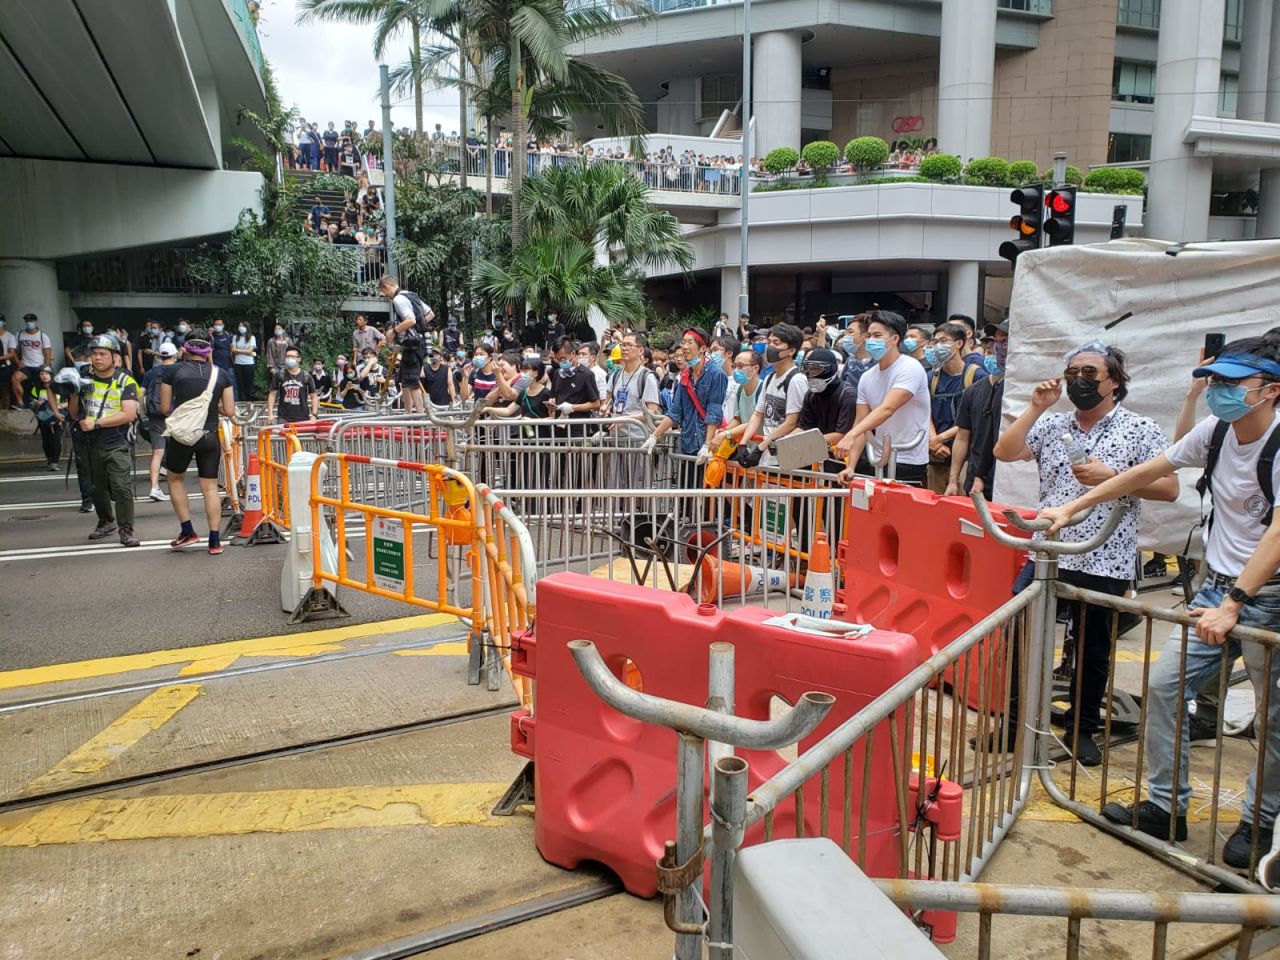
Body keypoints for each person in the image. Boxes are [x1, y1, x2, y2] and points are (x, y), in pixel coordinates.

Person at [1037, 336, 1280, 867]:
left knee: (1274, 718)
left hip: (1267, 596)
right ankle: (1165, 807)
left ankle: (1259, 825)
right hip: (1218, 585)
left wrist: (1236, 602)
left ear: (1270, 391)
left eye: (1232, 384)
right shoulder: (1215, 432)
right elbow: (1146, 473)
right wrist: (1072, 508)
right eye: (1214, 380)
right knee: (1164, 688)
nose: (1218, 391)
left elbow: (1279, 534)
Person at [992, 339, 1176, 766]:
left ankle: (1083, 728)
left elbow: (1168, 489)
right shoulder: (1053, 425)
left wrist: (1116, 477)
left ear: (1115, 382)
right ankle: (1015, 723)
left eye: (1090, 374)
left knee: (1092, 649)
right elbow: (1005, 451)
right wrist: (1037, 406)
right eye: (1073, 373)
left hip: (1104, 555)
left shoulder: (1140, 429)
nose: (1079, 381)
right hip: (1048, 552)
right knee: (1018, 637)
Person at [160, 329, 236, 555]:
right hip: (209, 436)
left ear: (185, 347)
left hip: (182, 436)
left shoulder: (172, 371)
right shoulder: (221, 374)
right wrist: (211, 407)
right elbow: (230, 410)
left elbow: (165, 408)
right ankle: (214, 541)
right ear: (209, 349)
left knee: (175, 480)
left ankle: (188, 531)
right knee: (210, 487)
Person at [834, 310, 931, 486]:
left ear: (894, 339)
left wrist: (850, 434)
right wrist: (852, 466)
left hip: (908, 458)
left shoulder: (910, 368)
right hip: (878, 458)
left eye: (877, 335)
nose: (871, 340)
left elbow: (887, 409)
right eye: (869, 335)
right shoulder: (867, 377)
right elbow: (862, 422)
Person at [69, 335, 141, 548]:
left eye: (102, 354)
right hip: (89, 444)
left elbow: (128, 414)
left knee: (121, 487)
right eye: (94, 354)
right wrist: (73, 393)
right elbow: (74, 413)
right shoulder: (83, 377)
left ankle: (126, 529)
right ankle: (106, 521)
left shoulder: (125, 381)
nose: (97, 358)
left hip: (116, 442)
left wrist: (97, 423)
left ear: (114, 357)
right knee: (96, 488)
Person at [641, 327, 726, 488]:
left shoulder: (716, 374)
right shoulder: (685, 375)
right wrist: (654, 436)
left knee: (705, 497)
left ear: (703, 348)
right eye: (684, 342)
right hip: (687, 442)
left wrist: (707, 445)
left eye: (690, 342)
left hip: (706, 444)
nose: (685, 346)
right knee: (685, 494)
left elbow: (714, 412)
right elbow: (675, 412)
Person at [947, 322, 1007, 499]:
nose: (996, 349)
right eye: (992, 346)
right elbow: (962, 436)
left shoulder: (1016, 392)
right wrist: (953, 480)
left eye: (1004, 343)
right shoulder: (973, 391)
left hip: (1005, 480)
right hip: (974, 482)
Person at [738, 323, 808, 469]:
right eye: (769, 342)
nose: (770, 347)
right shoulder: (769, 378)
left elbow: (791, 422)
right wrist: (743, 443)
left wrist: (761, 448)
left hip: (787, 456)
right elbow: (758, 414)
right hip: (768, 454)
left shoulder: (796, 380)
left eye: (776, 343)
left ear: (791, 350)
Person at [925, 321, 984, 493]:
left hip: (966, 461)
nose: (937, 347)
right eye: (935, 342)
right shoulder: (932, 377)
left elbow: (974, 419)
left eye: (943, 341)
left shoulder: (976, 375)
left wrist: (940, 438)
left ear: (959, 343)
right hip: (936, 457)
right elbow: (926, 412)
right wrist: (933, 441)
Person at [380, 275, 434, 416]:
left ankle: (421, 417)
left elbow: (410, 320)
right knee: (404, 379)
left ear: (386, 286)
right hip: (417, 343)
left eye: (384, 292)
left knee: (412, 381)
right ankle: (407, 413)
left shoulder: (398, 299)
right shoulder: (410, 295)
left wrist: (395, 330)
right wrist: (418, 329)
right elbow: (430, 314)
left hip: (412, 346)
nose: (385, 296)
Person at [797, 348, 857, 474]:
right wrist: (782, 442)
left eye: (815, 369)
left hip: (844, 460)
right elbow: (803, 427)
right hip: (819, 459)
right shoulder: (810, 394)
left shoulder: (847, 395)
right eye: (807, 369)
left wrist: (802, 442)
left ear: (830, 369)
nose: (810, 374)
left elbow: (842, 434)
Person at [602, 332, 661, 440]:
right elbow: (607, 402)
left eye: (629, 345)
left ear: (641, 351)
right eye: (623, 345)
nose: (624, 349)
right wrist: (605, 408)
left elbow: (652, 411)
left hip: (638, 439)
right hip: (615, 439)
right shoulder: (615, 375)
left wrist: (626, 420)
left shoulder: (647, 377)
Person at [142, 342, 179, 500]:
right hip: (175, 416)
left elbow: (141, 395)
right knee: (177, 452)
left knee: (157, 453)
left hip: (155, 417)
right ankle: (176, 487)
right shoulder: (178, 371)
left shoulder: (151, 372)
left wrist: (143, 414)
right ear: (175, 354)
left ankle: (154, 487)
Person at [549, 336, 602, 424]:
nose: (562, 362)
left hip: (578, 427)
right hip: (559, 424)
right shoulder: (557, 373)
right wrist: (551, 403)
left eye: (563, 358)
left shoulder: (586, 374)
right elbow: (553, 396)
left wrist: (572, 407)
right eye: (558, 360)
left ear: (573, 353)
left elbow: (596, 404)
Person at [267, 347, 317, 423]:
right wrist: (270, 414)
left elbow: (314, 397)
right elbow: (272, 394)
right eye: (287, 356)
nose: (289, 359)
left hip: (302, 417)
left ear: (299, 359)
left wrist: (314, 415)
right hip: (283, 417)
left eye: (292, 357)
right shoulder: (279, 374)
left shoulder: (306, 376)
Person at [29, 367, 67, 470]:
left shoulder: (59, 387)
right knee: (46, 441)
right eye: (41, 374)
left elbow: (67, 402)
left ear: (51, 375)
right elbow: (31, 402)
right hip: (43, 419)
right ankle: (49, 458)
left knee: (55, 439)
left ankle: (55, 462)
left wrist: (58, 407)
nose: (44, 376)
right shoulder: (36, 389)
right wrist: (36, 404)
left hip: (57, 418)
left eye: (46, 373)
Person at [12, 314, 52, 405]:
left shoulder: (43, 336)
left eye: (31, 321)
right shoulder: (19, 334)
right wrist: (17, 361)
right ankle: (20, 403)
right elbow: (13, 350)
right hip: (26, 366)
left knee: (44, 386)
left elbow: (47, 353)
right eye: (27, 321)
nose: (29, 323)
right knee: (15, 378)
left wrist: (46, 367)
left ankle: (46, 404)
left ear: (35, 322)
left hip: (39, 366)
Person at [231, 323, 257, 400]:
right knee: (240, 385)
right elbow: (233, 351)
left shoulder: (252, 338)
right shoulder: (235, 337)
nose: (241, 327)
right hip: (238, 363)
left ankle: (249, 401)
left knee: (249, 385)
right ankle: (242, 402)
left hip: (249, 364)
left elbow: (250, 351)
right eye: (239, 326)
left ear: (247, 327)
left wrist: (238, 350)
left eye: (242, 326)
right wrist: (246, 351)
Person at [0, 315, 16, 411]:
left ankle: (5, 410)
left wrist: (1, 357)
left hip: (4, 367)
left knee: (4, 389)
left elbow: (12, 354)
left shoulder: (10, 336)